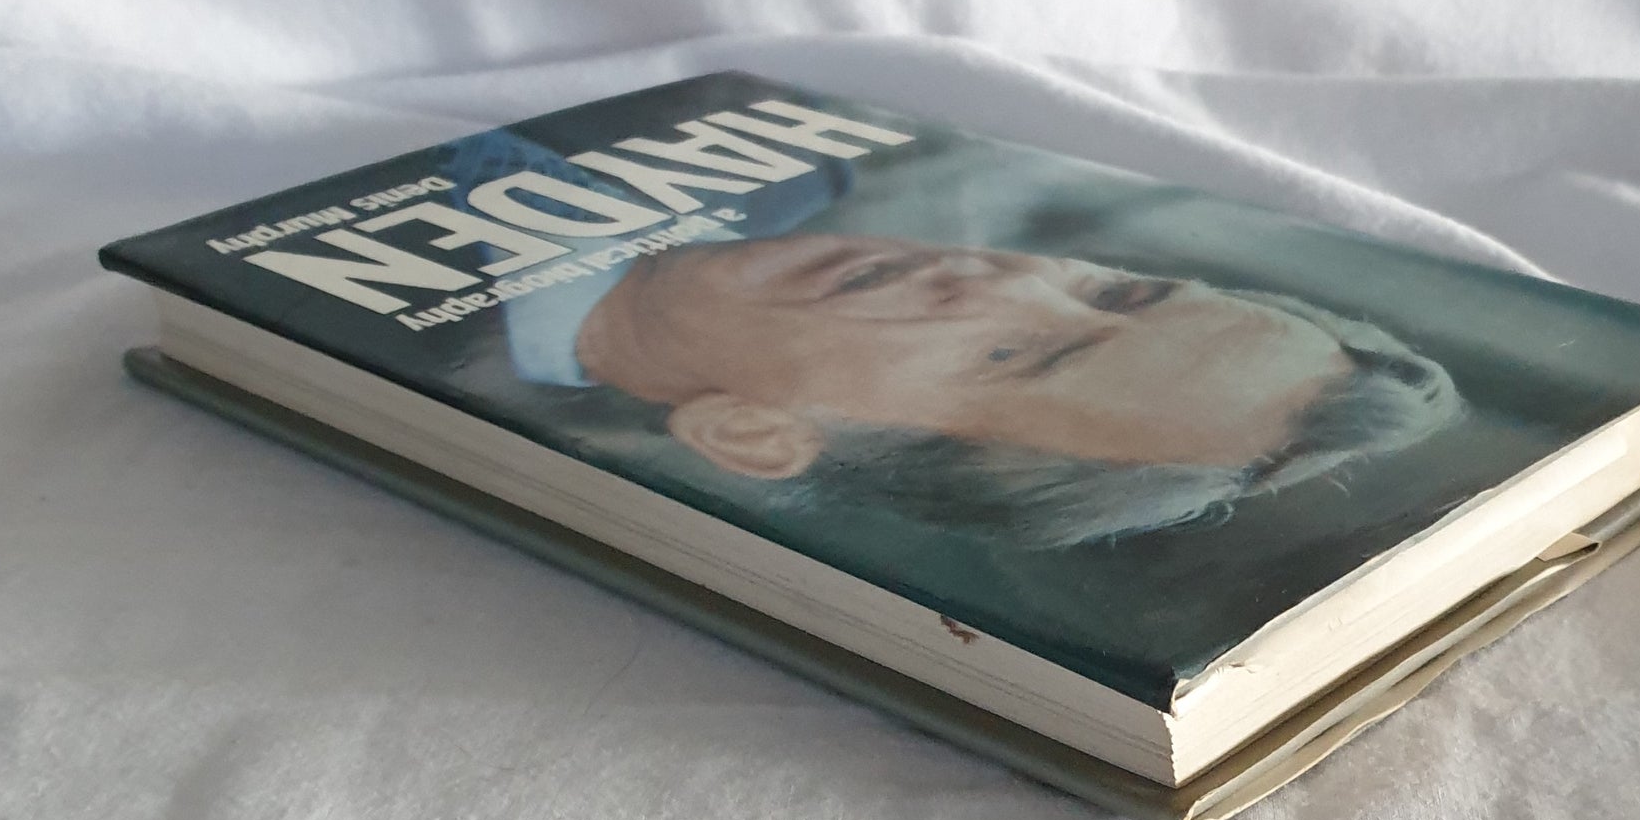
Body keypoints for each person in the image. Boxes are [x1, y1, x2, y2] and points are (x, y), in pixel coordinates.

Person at [510, 232, 1462, 548]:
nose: (1003, 283)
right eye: (1117, 292)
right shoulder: (807, 163)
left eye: (1009, 357)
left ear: (754, 436)